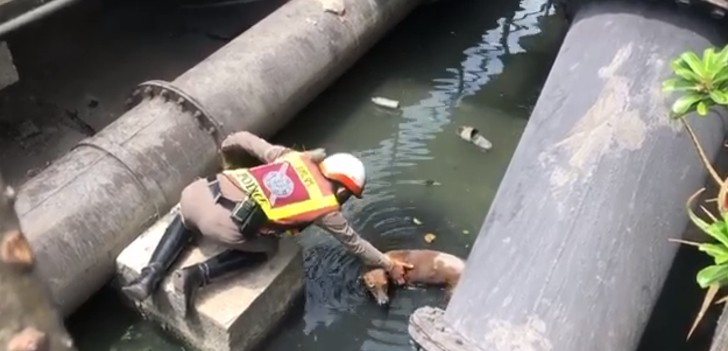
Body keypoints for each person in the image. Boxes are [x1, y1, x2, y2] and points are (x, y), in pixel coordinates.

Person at [121, 131, 414, 313]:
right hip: (223, 224)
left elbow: (242, 139)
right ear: (342, 188)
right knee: (269, 248)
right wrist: (390, 264)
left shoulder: (294, 157)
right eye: (349, 195)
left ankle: (149, 277)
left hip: (196, 193)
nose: (346, 200)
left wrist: (227, 161)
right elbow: (356, 245)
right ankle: (197, 274)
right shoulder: (326, 207)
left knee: (187, 216)